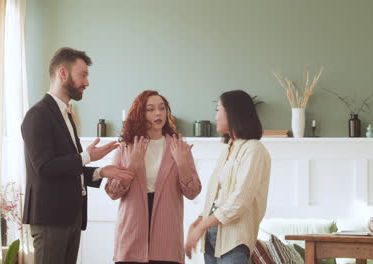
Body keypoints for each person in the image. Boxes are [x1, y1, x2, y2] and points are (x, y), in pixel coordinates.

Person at [21, 47, 134, 264]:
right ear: (63, 73)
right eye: (83, 74)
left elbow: (65, 167)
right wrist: (86, 156)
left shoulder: (66, 115)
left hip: (70, 218)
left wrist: (101, 171)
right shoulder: (38, 115)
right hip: (50, 219)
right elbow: (44, 167)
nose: (87, 82)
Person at [105, 90, 202, 264]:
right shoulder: (126, 147)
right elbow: (112, 192)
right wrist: (132, 166)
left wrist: (182, 165)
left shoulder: (179, 147)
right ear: (140, 114)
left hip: (167, 238)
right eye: (150, 109)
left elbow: (193, 192)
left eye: (162, 108)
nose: (158, 113)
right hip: (131, 234)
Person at [185, 90, 271, 264]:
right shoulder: (228, 149)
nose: (216, 117)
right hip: (212, 236)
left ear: (232, 113)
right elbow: (218, 197)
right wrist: (198, 223)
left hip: (234, 239)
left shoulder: (254, 150)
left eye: (218, 110)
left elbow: (240, 201)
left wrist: (202, 226)